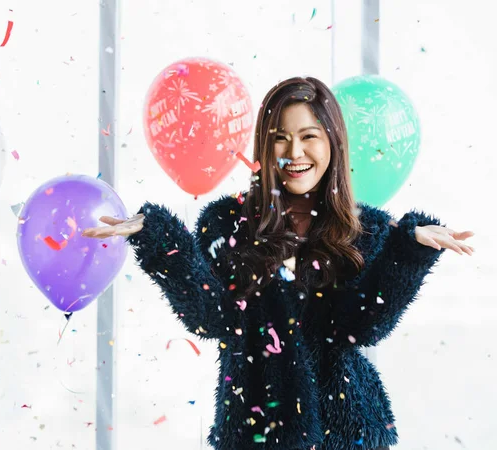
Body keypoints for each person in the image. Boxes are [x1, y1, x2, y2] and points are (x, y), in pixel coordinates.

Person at [83, 76, 475, 450]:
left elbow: (361, 327)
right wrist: (160, 240)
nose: (295, 153)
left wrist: (408, 251)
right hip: (258, 431)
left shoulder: (365, 228)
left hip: (350, 432)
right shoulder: (227, 222)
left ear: (333, 143)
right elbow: (212, 317)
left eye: (309, 137)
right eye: (280, 139)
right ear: (263, 148)